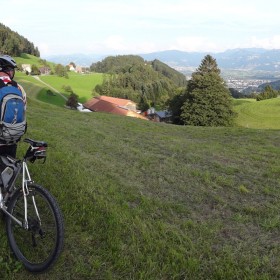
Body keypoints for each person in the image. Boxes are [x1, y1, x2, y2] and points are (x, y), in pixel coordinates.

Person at [0, 55, 27, 158]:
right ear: (9, 71)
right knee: (9, 167)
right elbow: (24, 111)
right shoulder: (18, 88)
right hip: (13, 137)